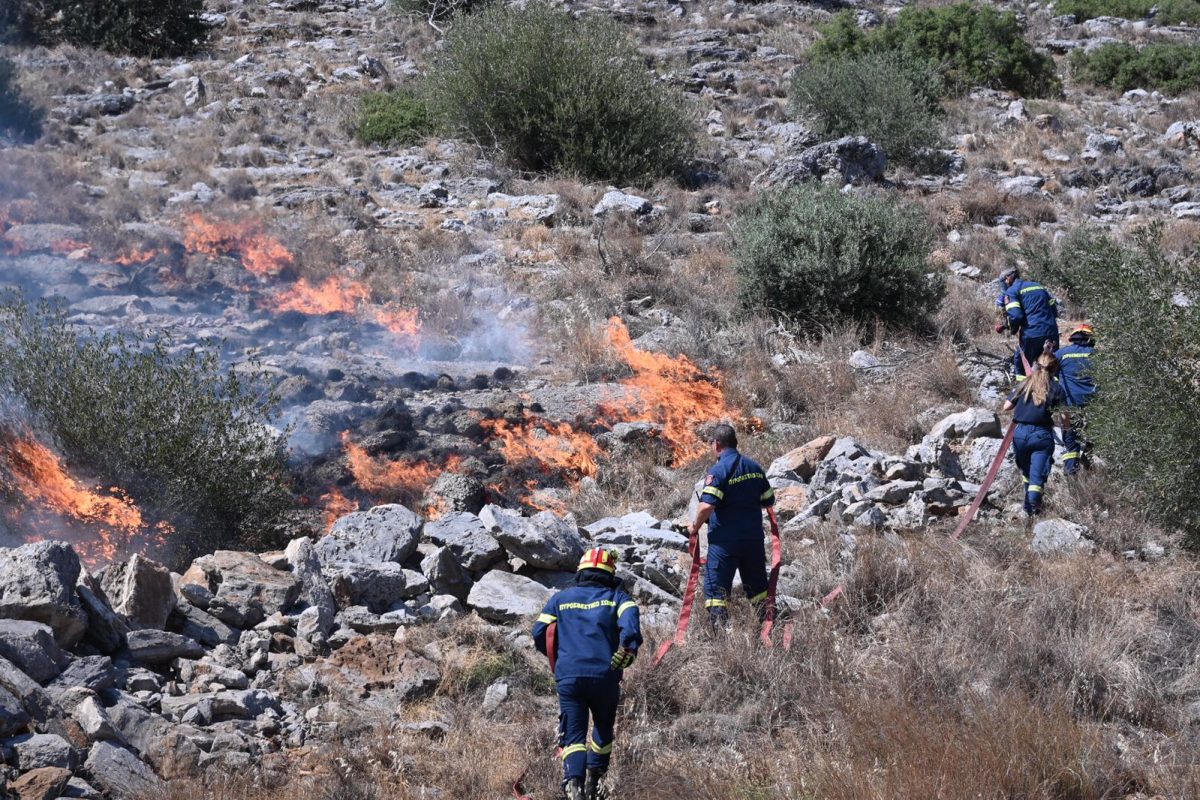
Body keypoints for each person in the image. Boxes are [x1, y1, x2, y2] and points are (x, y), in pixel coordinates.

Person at [532, 548, 641, 800]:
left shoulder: (560, 599)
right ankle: (595, 783)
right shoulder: (619, 598)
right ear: (610, 573)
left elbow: (539, 633)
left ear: (581, 572)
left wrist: (559, 659)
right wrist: (628, 648)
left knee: (574, 735)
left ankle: (574, 786)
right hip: (606, 674)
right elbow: (630, 626)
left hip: (569, 676)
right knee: (603, 728)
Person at [688, 424, 775, 630]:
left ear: (717, 444)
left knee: (715, 594)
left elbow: (707, 505)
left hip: (725, 544)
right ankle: (769, 630)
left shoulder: (718, 470)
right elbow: (769, 500)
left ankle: (722, 642)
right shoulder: (754, 467)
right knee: (759, 591)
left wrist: (695, 526)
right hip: (753, 541)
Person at [1002, 351, 1068, 515]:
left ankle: (1028, 510)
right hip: (1041, 434)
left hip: (1020, 434)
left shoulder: (1025, 383)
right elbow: (1065, 416)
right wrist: (1067, 428)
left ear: (1037, 365)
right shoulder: (1057, 389)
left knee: (1027, 473)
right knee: (1037, 477)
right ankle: (1035, 505)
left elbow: (1006, 407)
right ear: (1054, 370)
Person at [997, 265, 1060, 378]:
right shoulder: (1038, 286)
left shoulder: (1012, 291)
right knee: (1051, 365)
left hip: (1032, 334)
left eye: (1003, 282)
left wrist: (1012, 329)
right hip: (1051, 331)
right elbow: (1054, 311)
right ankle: (1055, 391)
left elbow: (1016, 316)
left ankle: (1023, 391)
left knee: (1021, 361)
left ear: (1008, 278)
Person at [1055, 324, 1097, 475]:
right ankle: (1088, 461)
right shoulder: (1097, 355)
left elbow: (1047, 371)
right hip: (1094, 407)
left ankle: (1071, 473)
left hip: (1069, 406)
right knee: (1093, 438)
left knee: (1071, 440)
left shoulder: (1062, 354)